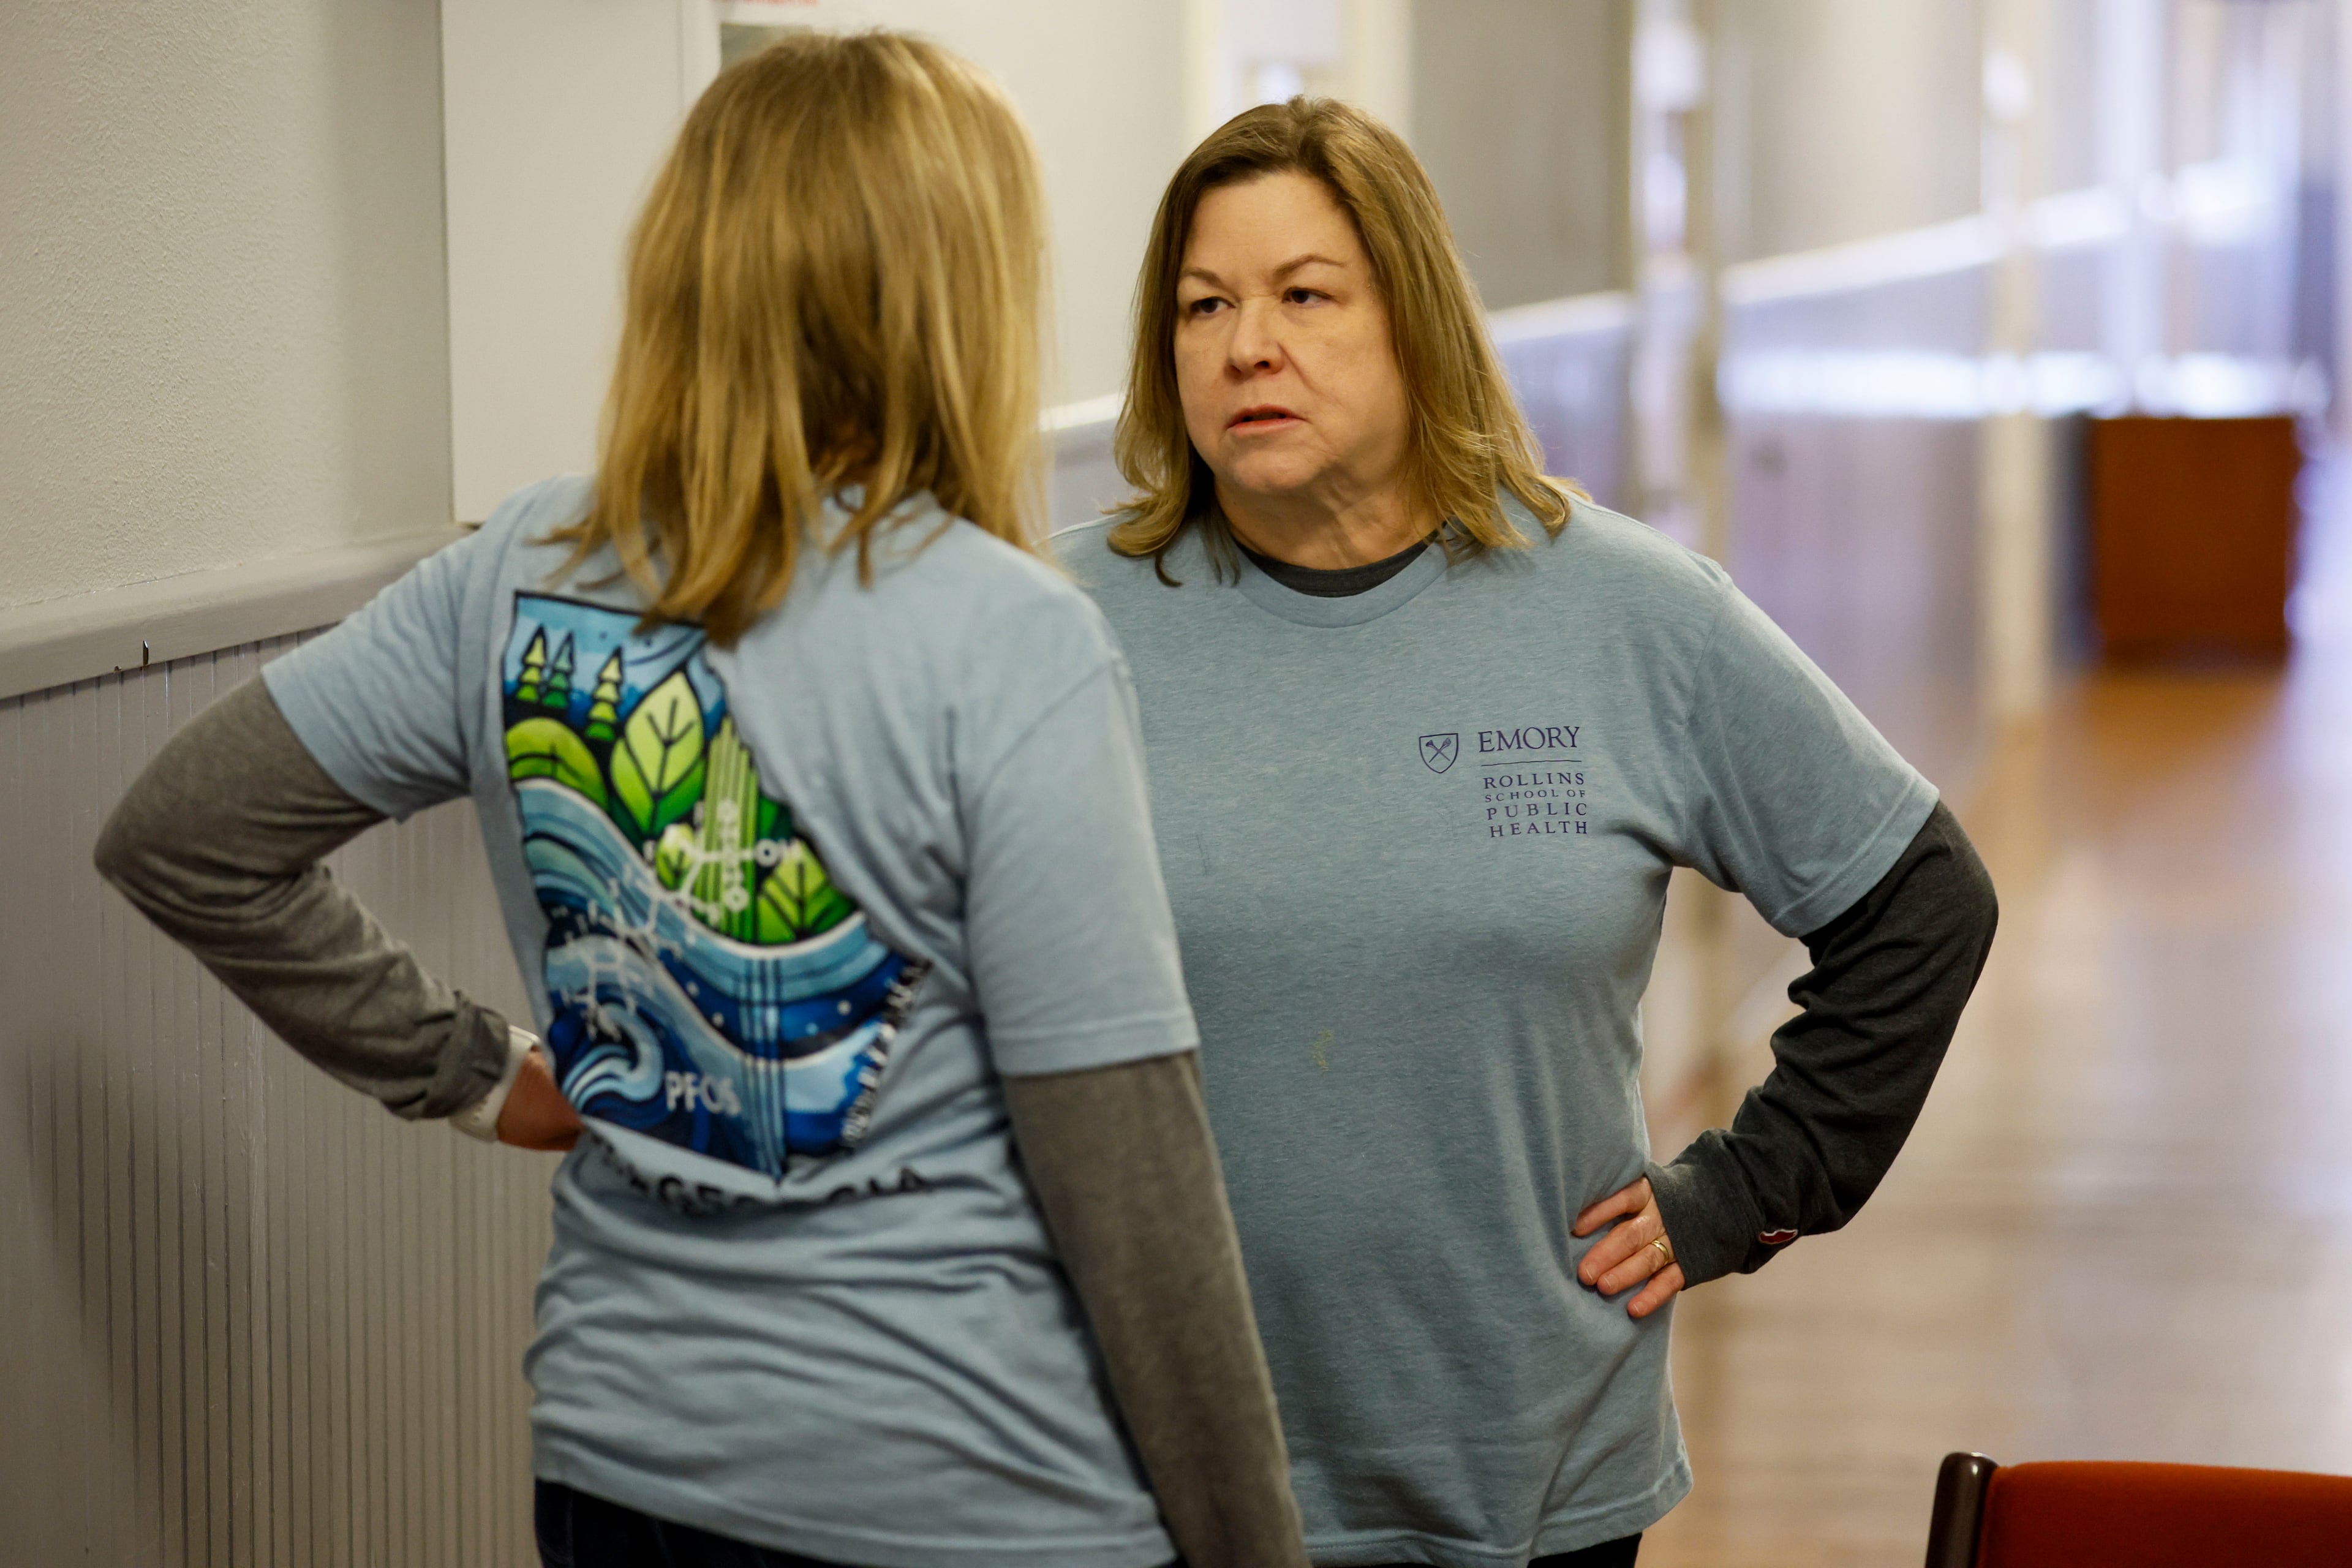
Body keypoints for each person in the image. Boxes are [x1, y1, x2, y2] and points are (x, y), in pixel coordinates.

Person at [94, 34, 1310, 1568]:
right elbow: (1134, 1184)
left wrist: (480, 1073)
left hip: (625, 1470)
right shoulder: (1011, 636)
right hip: (969, 1494)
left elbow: (184, 833)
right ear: (950, 292)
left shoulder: (520, 569)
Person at [1057, 97, 2000, 1568]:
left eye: (1306, 294)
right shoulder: (1057, 629)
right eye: (1204, 304)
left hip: (1524, 1468)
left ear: (1415, 319)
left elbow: (1923, 904)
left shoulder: (1626, 611)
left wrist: (1746, 1189)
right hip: (1140, 1471)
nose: (1248, 344)